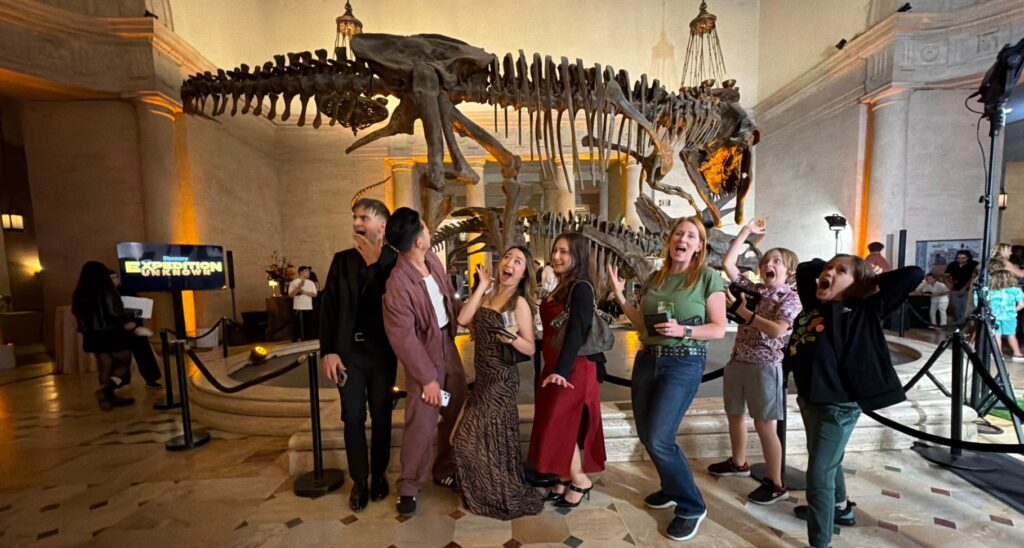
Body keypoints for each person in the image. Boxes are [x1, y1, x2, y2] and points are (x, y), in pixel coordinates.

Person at [785, 255, 922, 548]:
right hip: (810, 400)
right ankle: (842, 509)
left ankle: (820, 542)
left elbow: (913, 273)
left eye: (840, 271)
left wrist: (868, 279)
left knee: (819, 473)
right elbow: (807, 268)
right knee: (828, 460)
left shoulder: (865, 309)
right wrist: (837, 270)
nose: (829, 272)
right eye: (829, 269)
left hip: (839, 407)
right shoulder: (815, 303)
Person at [607, 216, 727, 541]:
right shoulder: (655, 277)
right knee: (648, 435)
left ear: (699, 246)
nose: (683, 239)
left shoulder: (706, 277)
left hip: (684, 361)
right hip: (647, 360)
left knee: (660, 437)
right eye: (679, 233)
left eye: (691, 235)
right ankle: (671, 487)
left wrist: (684, 330)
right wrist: (620, 297)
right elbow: (643, 326)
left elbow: (718, 327)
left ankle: (691, 505)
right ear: (670, 239)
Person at [383, 207, 468, 517]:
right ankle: (408, 486)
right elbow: (404, 338)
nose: (429, 230)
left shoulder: (432, 260)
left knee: (457, 404)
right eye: (425, 227)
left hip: (448, 344)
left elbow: (447, 297)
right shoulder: (397, 285)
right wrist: (428, 378)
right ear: (418, 240)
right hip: (424, 354)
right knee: (421, 420)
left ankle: (444, 467)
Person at [709, 219, 801, 505]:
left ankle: (775, 482)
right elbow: (728, 264)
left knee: (765, 425)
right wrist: (746, 232)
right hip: (738, 360)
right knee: (735, 413)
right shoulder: (757, 290)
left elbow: (778, 330)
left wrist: (744, 313)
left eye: (777, 261)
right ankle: (739, 463)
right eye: (767, 260)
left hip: (766, 366)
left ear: (790, 271)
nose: (769, 264)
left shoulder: (791, 297)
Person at [452, 247, 544, 520]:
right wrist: (482, 286)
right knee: (475, 439)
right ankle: (488, 488)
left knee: (464, 439)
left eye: (518, 262)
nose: (510, 264)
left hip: (502, 380)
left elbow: (529, 348)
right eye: (507, 258)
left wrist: (510, 338)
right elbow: (462, 319)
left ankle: (497, 489)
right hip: (483, 378)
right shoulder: (489, 296)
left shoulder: (520, 303)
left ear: (524, 272)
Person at [320, 198, 398, 512]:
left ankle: (379, 474)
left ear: (382, 224)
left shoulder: (395, 263)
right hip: (349, 353)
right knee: (352, 417)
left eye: (364, 217)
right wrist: (328, 351)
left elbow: (395, 304)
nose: (357, 223)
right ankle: (360, 481)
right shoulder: (341, 261)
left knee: (382, 415)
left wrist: (377, 265)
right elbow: (328, 309)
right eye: (354, 217)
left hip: (382, 354)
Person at [527, 232, 606, 510]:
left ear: (578, 256)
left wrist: (561, 369)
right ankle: (562, 476)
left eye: (564, 252)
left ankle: (579, 479)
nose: (557, 256)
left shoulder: (581, 287)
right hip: (557, 366)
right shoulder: (562, 285)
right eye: (555, 250)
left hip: (573, 368)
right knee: (556, 422)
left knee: (560, 423)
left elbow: (577, 331)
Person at [72, 261, 138, 411]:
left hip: (93, 336)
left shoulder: (80, 293)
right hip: (111, 333)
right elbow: (114, 312)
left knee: (105, 366)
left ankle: (108, 398)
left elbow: (79, 316)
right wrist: (130, 314)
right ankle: (106, 391)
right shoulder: (106, 289)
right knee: (124, 361)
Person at [110, 268, 161, 388]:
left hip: (134, 328)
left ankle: (151, 379)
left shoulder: (128, 291)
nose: (113, 281)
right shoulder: (104, 295)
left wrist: (134, 323)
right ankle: (122, 380)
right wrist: (122, 325)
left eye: (115, 277)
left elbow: (140, 309)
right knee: (121, 356)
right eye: (110, 279)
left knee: (144, 353)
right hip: (117, 331)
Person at [978, 270, 1024, 362]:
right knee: (1011, 335)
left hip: (993, 316)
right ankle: (1017, 353)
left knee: (996, 335)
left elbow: (982, 303)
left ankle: (998, 354)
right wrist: (1012, 310)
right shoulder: (1016, 290)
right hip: (1009, 317)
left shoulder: (989, 291)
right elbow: (1022, 305)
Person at [945, 250, 978, 323]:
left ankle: (964, 324)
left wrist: (964, 288)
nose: (960, 260)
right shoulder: (952, 265)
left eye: (963, 258)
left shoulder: (974, 265)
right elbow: (947, 276)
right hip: (955, 289)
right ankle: (959, 322)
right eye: (958, 258)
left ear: (968, 258)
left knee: (965, 307)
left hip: (968, 290)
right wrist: (950, 284)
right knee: (956, 307)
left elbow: (973, 278)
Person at [289, 266, 317, 341]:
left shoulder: (310, 283)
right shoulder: (294, 282)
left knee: (308, 327)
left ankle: (308, 339)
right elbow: (291, 295)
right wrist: (298, 288)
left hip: (308, 307)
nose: (308, 273)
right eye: (306, 271)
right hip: (298, 307)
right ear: (301, 272)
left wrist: (304, 292)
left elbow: (314, 294)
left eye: (308, 271)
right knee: (298, 328)